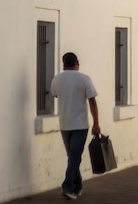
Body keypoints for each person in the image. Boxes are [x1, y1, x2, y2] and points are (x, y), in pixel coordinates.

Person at [51, 52, 101, 201]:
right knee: (74, 157)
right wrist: (96, 123)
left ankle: (77, 186)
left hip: (64, 124)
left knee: (72, 156)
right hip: (80, 125)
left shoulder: (56, 80)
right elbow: (92, 102)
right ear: (77, 62)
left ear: (64, 63)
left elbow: (56, 95)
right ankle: (69, 187)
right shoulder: (84, 79)